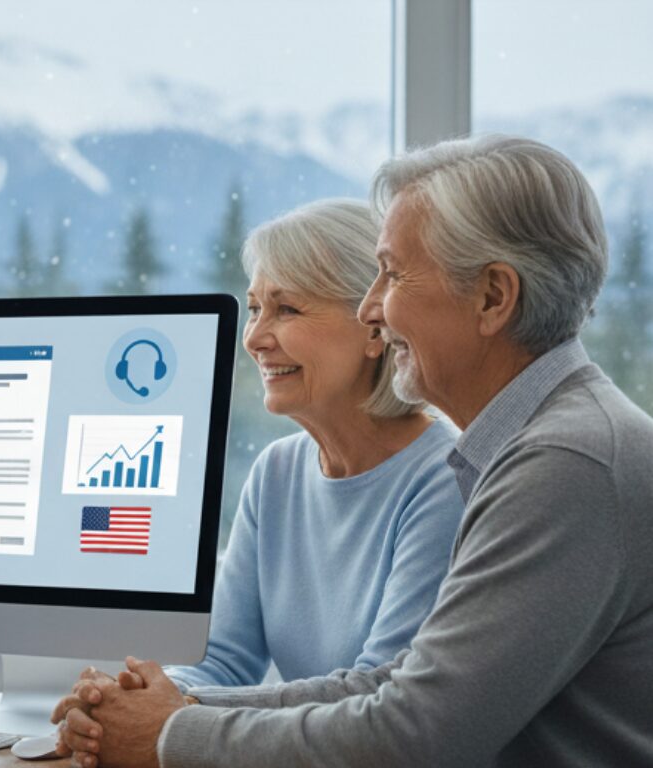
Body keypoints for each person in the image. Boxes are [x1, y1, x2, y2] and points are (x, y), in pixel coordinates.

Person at [55, 135, 653, 767]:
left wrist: (167, 735)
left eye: (392, 274)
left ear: (492, 297)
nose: (373, 308)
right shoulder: (545, 446)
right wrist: (174, 712)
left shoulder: (567, 464)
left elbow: (412, 734)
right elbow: (395, 687)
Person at [162, 199, 462, 697]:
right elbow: (222, 661)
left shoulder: (445, 480)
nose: (254, 338)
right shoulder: (275, 472)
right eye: (254, 309)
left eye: (286, 309)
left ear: (375, 326)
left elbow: (377, 693)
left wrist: (172, 710)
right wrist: (141, 698)